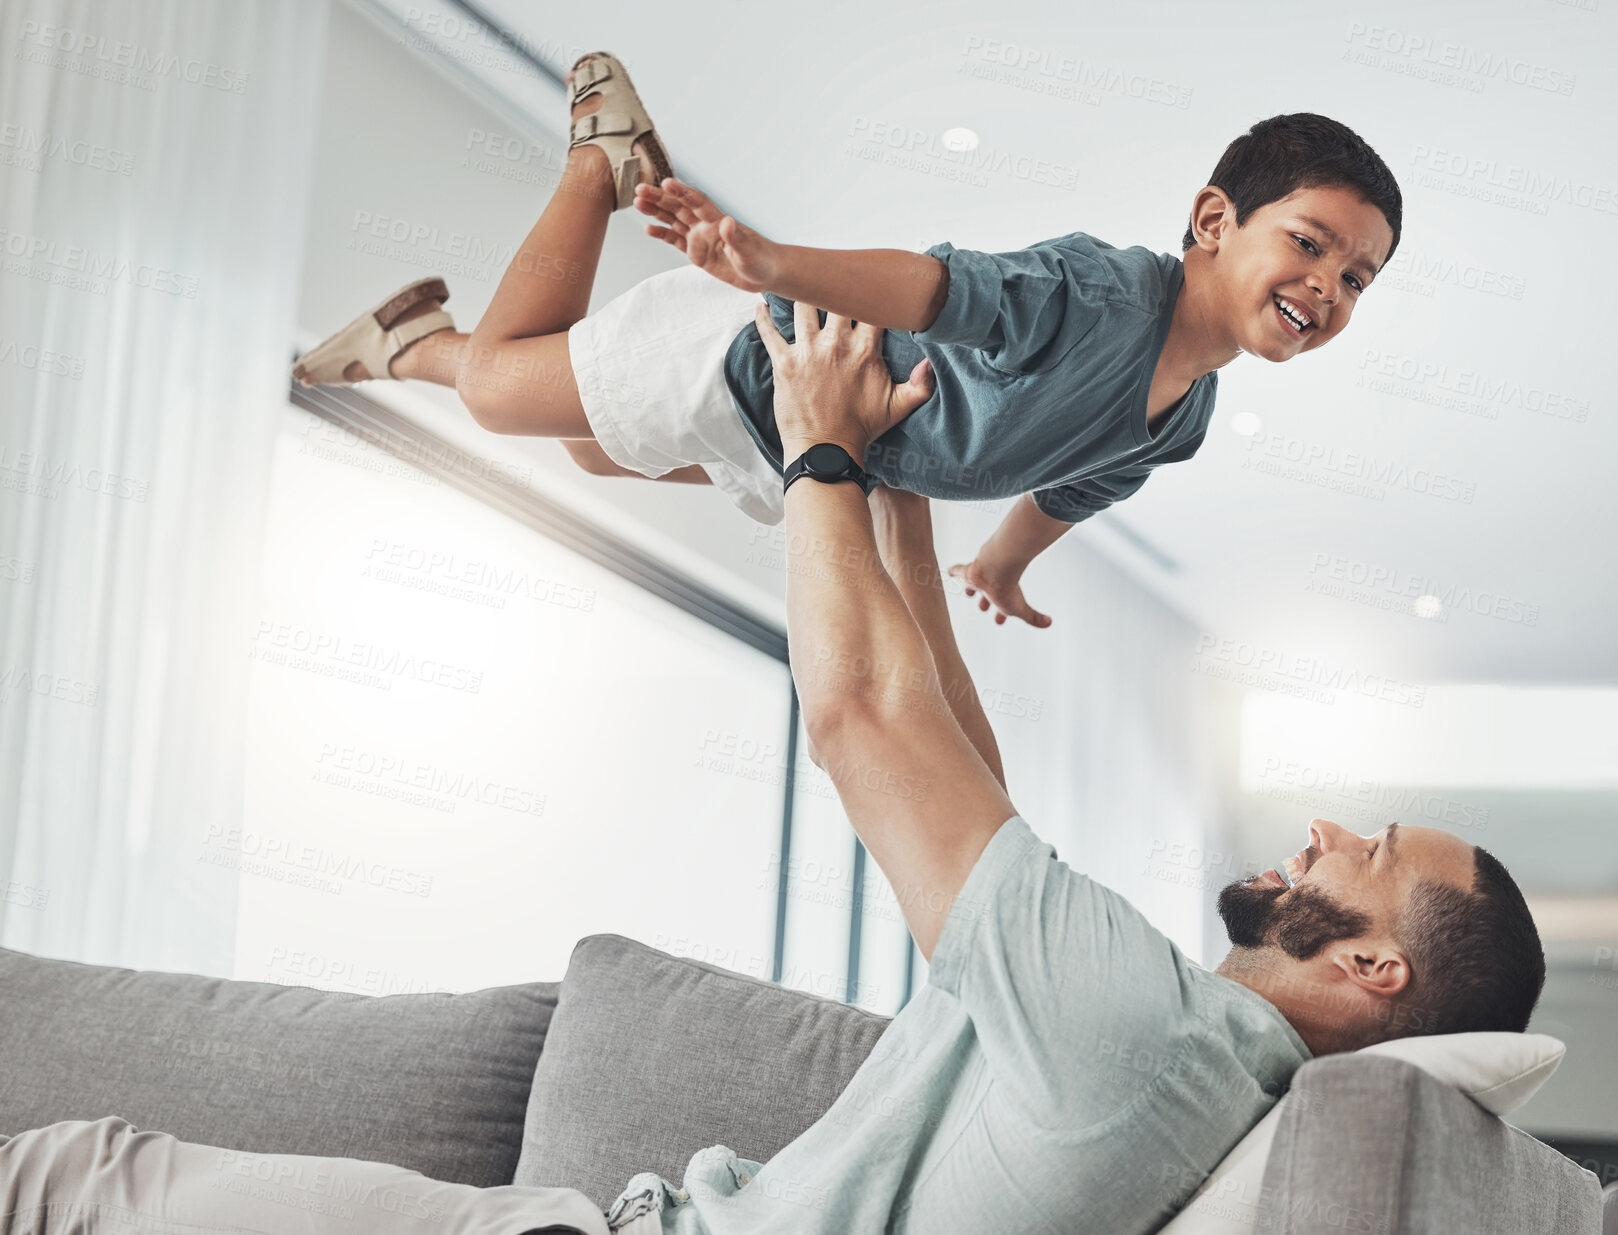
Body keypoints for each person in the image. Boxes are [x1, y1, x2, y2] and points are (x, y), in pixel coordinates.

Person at [7, 298, 1545, 1235]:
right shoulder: (1168, 1046)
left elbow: (863, 725)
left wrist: (817, 449)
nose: (1331, 826)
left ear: (1372, 970)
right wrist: (903, 496)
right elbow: (962, 762)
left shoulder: (1139, 1026)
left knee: (73, 1177)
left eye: (1374, 848)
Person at [292, 51, 1403, 628]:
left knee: (592, 446)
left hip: (813, 445)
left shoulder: (1186, 417)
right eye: (1309, 244)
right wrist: (773, 264)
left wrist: (1002, 564)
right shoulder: (1107, 294)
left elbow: (1073, 489)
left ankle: (418, 334)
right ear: (1215, 221)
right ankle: (592, 169)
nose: (1327, 287)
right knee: (495, 396)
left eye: (1356, 277)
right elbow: (941, 290)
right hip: (776, 367)